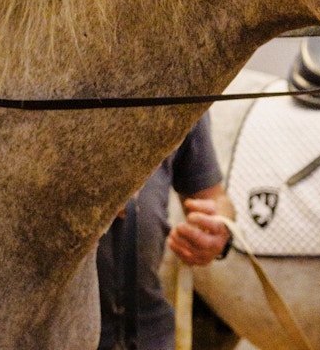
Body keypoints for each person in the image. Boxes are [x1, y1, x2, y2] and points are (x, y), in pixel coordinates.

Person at [96, 113, 235, 350]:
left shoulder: (181, 92)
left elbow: (213, 196)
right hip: (55, 331)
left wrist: (219, 228)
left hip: (150, 328)